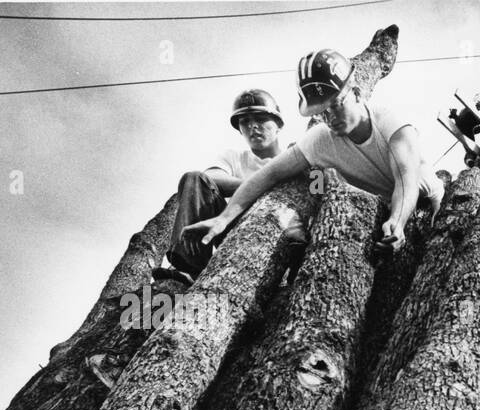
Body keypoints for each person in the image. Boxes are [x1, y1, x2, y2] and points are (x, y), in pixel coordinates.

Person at [184, 49, 444, 258]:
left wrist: (398, 221)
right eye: (322, 111)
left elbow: (406, 178)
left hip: (425, 203)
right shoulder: (321, 138)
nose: (329, 118)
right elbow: (268, 175)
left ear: (355, 93)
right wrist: (222, 219)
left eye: (335, 105)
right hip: (380, 214)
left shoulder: (390, 122)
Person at [155, 89, 291, 286]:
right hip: (234, 229)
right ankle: (188, 266)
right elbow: (209, 177)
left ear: (278, 124)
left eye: (260, 119)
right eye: (245, 122)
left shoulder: (292, 157)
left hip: (278, 235)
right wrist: (258, 184)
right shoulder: (235, 157)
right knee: (193, 178)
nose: (253, 126)